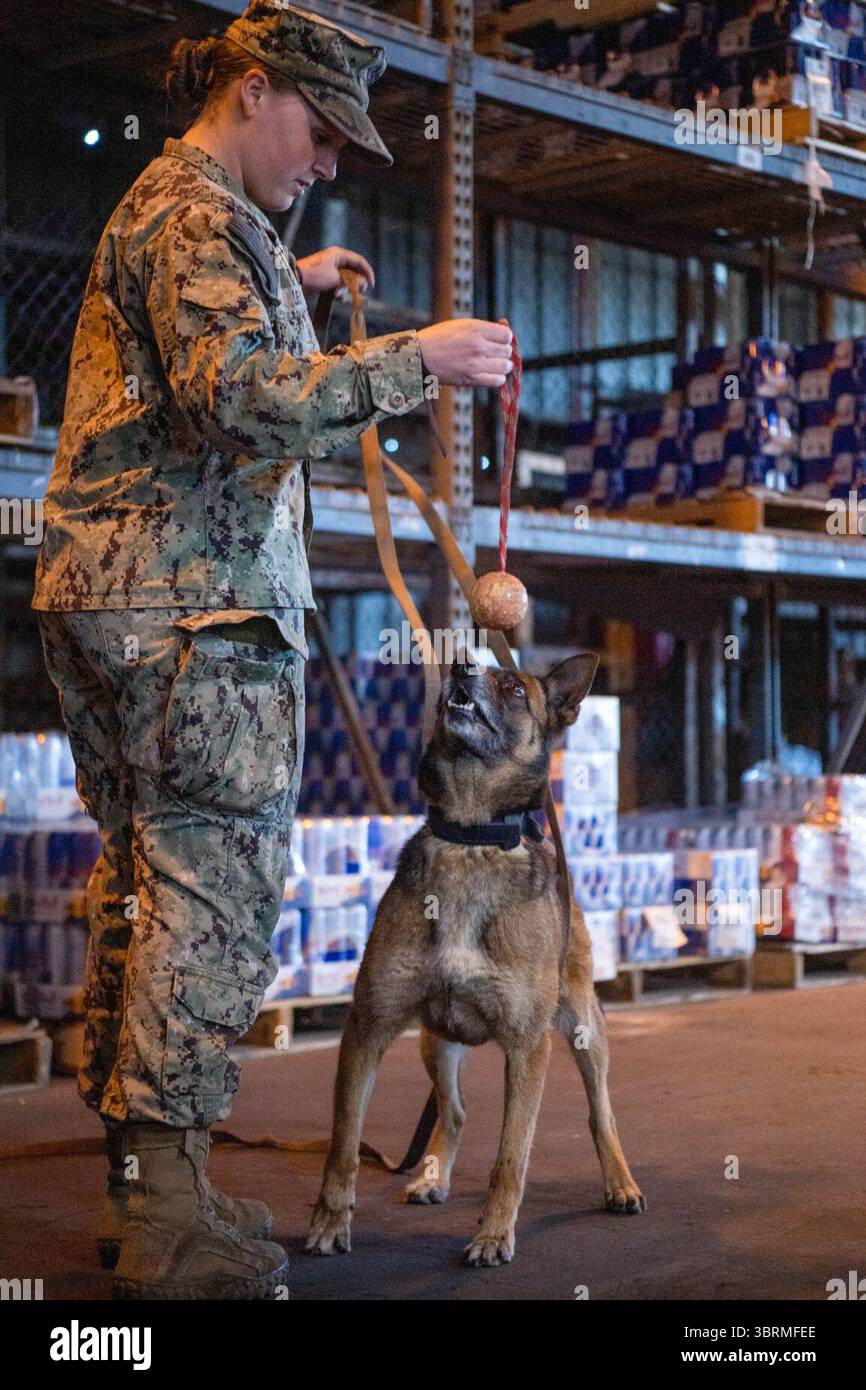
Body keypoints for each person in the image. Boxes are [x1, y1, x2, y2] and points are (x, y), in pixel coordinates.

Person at [30, 0, 513, 1300]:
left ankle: (152, 1182)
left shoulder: (189, 215)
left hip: (122, 601)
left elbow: (191, 362)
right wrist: (418, 358)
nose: (328, 161)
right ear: (252, 88)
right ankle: (165, 1218)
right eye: (317, 128)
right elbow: (241, 398)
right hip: (192, 613)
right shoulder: (198, 215)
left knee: (150, 886)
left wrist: (286, 292)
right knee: (213, 892)